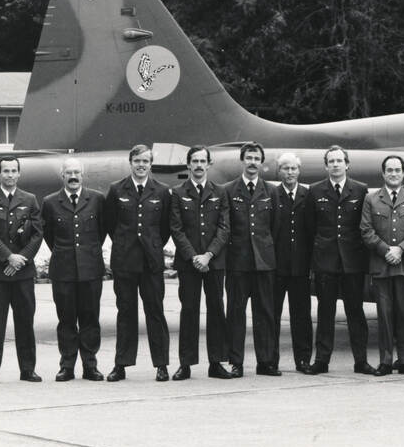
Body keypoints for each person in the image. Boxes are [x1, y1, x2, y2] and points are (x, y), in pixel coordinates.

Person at [104, 144, 173, 381]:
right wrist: (125, 244)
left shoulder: (161, 191)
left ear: (150, 164)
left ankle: (161, 364)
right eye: (137, 161)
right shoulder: (116, 190)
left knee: (155, 312)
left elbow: (164, 229)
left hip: (151, 263)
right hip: (125, 262)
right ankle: (121, 365)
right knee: (126, 312)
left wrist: (152, 246)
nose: (141, 165)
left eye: (145, 161)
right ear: (130, 163)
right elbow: (110, 224)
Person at [307, 146, 375, 375]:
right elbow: (311, 227)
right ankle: (321, 361)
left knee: (355, 312)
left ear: (347, 164)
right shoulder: (315, 190)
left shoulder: (360, 190)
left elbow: (364, 226)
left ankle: (361, 361)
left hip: (352, 261)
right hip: (325, 261)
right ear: (326, 166)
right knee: (325, 312)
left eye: (339, 161)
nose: (335, 165)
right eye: (331, 161)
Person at [0, 156, 43, 383]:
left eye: (14, 171)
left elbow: (37, 234)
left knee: (25, 322)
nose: (10, 175)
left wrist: (20, 259)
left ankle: (28, 369)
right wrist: (9, 257)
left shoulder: (30, 199)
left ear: (19, 174)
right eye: (5, 171)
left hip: (23, 273)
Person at [40, 158, 106, 381]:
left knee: (90, 318)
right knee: (66, 319)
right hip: (63, 270)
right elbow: (49, 235)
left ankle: (90, 365)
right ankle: (67, 366)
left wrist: (87, 253)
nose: (73, 176)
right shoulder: (50, 202)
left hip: (91, 269)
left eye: (77, 172)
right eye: (69, 172)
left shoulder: (96, 199)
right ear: (62, 176)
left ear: (83, 175)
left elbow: (102, 231)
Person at [169, 146, 231, 380]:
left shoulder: (220, 192)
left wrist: (209, 255)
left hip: (214, 262)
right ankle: (185, 364)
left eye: (202, 161)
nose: (198, 165)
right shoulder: (178, 193)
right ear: (188, 164)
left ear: (209, 164)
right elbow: (176, 229)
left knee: (216, 310)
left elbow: (224, 228)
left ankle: (216, 363)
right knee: (189, 311)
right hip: (189, 263)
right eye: (194, 161)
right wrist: (194, 256)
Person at [361, 155, 404, 375]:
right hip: (382, 266)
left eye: (397, 170)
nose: (394, 174)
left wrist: (401, 249)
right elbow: (366, 230)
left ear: (403, 173)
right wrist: (386, 250)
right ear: (383, 173)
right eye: (389, 170)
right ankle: (386, 361)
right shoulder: (371, 199)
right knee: (385, 316)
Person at [223, 142, 281, 377]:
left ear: (261, 162)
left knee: (265, 313)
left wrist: (265, 252)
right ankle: (236, 362)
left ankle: (265, 362)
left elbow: (275, 227)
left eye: (256, 158)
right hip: (237, 262)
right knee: (236, 313)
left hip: (264, 263)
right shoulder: (228, 190)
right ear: (242, 160)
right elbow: (226, 227)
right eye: (249, 158)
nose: (252, 162)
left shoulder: (271, 191)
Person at [271, 152, 316, 373]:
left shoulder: (309, 195)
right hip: (276, 266)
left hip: (301, 266)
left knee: (302, 316)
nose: (290, 172)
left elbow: (313, 231)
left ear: (299, 171)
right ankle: (270, 360)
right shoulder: (272, 194)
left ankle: (303, 360)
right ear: (278, 171)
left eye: (293, 168)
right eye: (285, 168)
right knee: (272, 315)